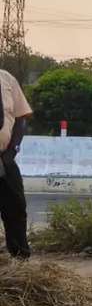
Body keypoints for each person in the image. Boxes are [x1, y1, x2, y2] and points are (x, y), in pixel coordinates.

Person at [0, 69, 33, 259]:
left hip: (4, 159)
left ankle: (20, 260)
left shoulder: (6, 78)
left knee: (16, 209)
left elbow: (21, 118)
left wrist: (12, 151)